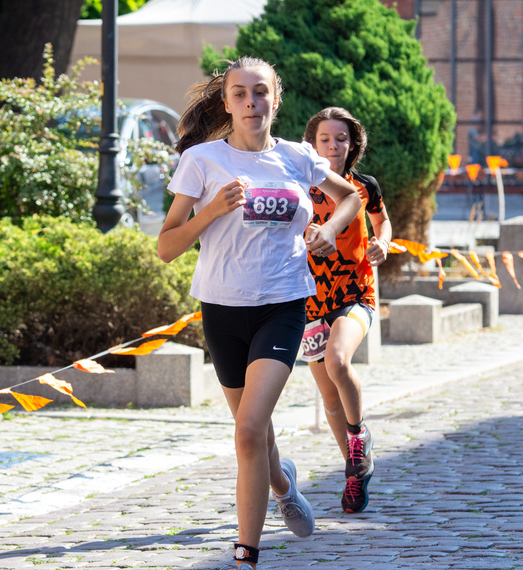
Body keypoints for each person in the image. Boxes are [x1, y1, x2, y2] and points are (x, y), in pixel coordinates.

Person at [157, 58, 362, 569]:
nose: (252, 103)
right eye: (240, 94)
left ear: (276, 99)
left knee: (248, 430)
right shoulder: (202, 161)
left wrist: (329, 230)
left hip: (284, 303)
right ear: (226, 103)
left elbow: (349, 198)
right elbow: (166, 246)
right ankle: (284, 486)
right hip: (223, 309)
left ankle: (246, 555)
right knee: (256, 431)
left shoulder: (297, 157)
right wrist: (210, 212)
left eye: (261, 93)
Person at [301, 107, 393, 515]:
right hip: (309, 301)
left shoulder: (363, 186)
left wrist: (383, 244)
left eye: (341, 139)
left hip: (355, 293)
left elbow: (382, 222)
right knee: (328, 396)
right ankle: (356, 473)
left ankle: (360, 437)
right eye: (325, 139)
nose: (334, 146)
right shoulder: (297, 186)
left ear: (352, 143)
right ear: (312, 144)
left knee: (338, 361)